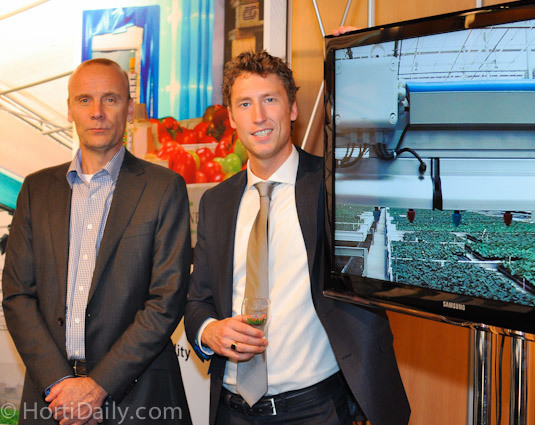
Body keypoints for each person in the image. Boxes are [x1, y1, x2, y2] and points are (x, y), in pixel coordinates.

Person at [184, 50, 410, 425]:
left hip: (316, 410)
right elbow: (198, 301)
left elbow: (383, 153)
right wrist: (211, 331)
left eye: (270, 100)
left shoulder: (336, 187)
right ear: (232, 118)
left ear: (292, 109)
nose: (258, 116)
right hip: (230, 411)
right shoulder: (216, 202)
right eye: (245, 104)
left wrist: (358, 64)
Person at [2, 58, 192, 425]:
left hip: (139, 399)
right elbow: (17, 295)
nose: (97, 112)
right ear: (69, 109)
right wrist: (60, 384)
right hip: (51, 400)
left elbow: (166, 300)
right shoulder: (36, 190)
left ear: (129, 109)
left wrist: (98, 386)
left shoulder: (164, 188)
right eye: (84, 100)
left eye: (110, 99)